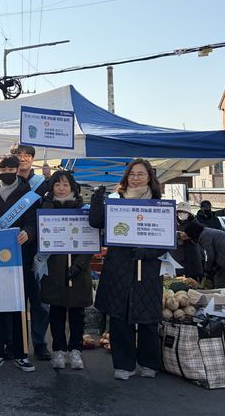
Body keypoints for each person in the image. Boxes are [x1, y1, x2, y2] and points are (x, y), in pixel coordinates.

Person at [89, 158, 166, 381]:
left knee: (148, 318)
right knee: (119, 317)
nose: (136, 178)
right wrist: (97, 198)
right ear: (126, 177)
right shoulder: (115, 201)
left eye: (141, 174)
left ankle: (148, 362)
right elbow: (96, 222)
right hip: (119, 266)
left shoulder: (159, 204)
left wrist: (149, 252)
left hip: (148, 268)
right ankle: (124, 364)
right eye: (132, 174)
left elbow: (167, 239)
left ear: (150, 177)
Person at [0, 144, 51, 361]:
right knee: (8, 302)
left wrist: (30, 233)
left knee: (35, 301)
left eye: (27, 156)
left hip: (29, 254)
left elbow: (37, 216)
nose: (22, 159)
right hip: (0, 258)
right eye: (19, 155)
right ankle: (9, 344)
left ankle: (38, 343)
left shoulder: (34, 187)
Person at [0, 154, 38, 373]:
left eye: (10, 169)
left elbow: (34, 222)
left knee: (19, 306)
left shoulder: (28, 194)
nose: (6, 172)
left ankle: (20, 353)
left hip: (20, 258)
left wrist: (28, 233)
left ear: (17, 169)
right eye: (2, 169)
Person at [39, 171, 93, 371]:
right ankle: (58, 349)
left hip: (78, 270)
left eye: (65, 184)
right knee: (56, 312)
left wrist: (79, 264)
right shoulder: (46, 208)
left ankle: (76, 349)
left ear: (73, 187)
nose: (61, 188)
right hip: (53, 269)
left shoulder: (82, 210)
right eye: (57, 185)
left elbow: (90, 240)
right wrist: (47, 204)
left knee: (77, 313)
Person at [182, 220, 225, 289]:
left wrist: (206, 269)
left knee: (219, 281)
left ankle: (221, 294)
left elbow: (210, 255)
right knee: (224, 280)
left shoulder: (204, 236)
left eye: (189, 236)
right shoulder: (206, 232)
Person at [172, 202, 204, 281]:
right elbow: (168, 235)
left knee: (192, 280)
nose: (182, 214)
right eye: (180, 212)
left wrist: (189, 235)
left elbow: (199, 235)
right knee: (178, 280)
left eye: (185, 212)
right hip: (177, 255)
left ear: (189, 214)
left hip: (192, 254)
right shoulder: (172, 222)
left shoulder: (195, 222)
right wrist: (178, 236)